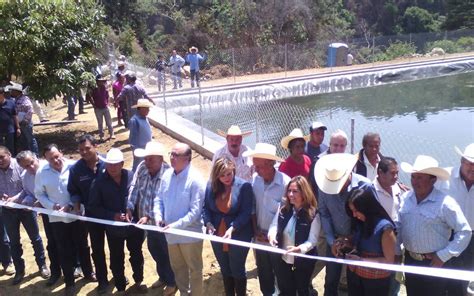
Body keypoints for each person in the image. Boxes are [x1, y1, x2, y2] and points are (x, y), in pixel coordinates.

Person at [398, 155, 471, 296]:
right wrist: (395, 253)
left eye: (420, 177)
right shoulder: (406, 199)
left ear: (433, 180)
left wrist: (442, 256)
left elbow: (465, 231)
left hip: (434, 263)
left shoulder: (445, 203)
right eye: (413, 177)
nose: (415, 181)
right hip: (410, 260)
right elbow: (399, 228)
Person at [314, 153, 375, 296]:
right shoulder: (322, 186)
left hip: (358, 242)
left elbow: (369, 217)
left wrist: (353, 239)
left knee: (354, 281)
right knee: (331, 279)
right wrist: (331, 241)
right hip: (334, 239)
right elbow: (324, 213)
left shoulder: (365, 186)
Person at [88, 148, 147, 294]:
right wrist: (111, 215)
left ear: (122, 164)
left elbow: (139, 197)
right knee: (116, 258)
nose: (112, 168)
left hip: (133, 226)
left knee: (136, 255)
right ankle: (120, 287)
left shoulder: (131, 176)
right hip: (113, 230)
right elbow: (93, 207)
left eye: (116, 164)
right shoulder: (99, 183)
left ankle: (139, 281)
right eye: (110, 164)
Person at [154, 143, 206, 296]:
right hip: (170, 235)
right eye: (171, 154)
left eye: (176, 155)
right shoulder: (166, 175)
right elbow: (158, 199)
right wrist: (158, 216)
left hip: (190, 235)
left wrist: (175, 225)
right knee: (178, 268)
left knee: (195, 270)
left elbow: (195, 212)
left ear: (188, 158)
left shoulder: (195, 179)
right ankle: (184, 292)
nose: (172, 157)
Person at [127, 141, 177, 295]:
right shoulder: (142, 167)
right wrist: (129, 206)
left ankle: (172, 281)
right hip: (146, 222)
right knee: (154, 249)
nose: (147, 162)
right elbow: (134, 186)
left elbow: (164, 200)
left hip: (161, 223)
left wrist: (149, 216)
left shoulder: (169, 174)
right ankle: (163, 276)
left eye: (151, 159)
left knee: (166, 251)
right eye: (146, 158)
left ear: (161, 160)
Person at [34, 144, 83, 295]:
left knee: (82, 245)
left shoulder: (73, 166)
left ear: (61, 152)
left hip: (76, 214)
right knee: (64, 249)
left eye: (57, 156)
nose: (56, 160)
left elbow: (81, 189)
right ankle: (69, 283)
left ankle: (87, 273)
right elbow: (39, 194)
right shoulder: (41, 172)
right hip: (56, 218)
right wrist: (51, 206)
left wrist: (71, 205)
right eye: (51, 159)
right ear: (45, 159)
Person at [242, 142, 289, 296]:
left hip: (279, 240)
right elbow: (252, 208)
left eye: (259, 166)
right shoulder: (255, 181)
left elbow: (288, 214)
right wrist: (256, 231)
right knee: (264, 273)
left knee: (282, 274)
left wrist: (274, 235)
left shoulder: (286, 183)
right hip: (260, 238)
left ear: (270, 164)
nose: (255, 169)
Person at [203, 157, 253, 296]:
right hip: (217, 235)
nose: (226, 178)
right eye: (222, 175)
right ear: (216, 175)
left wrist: (232, 228)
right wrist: (208, 223)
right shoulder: (211, 186)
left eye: (229, 174)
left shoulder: (244, 187)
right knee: (225, 268)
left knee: (237, 268)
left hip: (239, 234)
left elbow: (246, 212)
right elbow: (205, 208)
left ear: (234, 171)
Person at [0, 146, 48, 285]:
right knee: (14, 242)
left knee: (36, 239)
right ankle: (19, 270)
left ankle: (42, 266)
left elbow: (27, 188)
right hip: (7, 211)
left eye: (2, 157)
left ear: (9, 154)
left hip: (26, 208)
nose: (0, 161)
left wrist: (15, 198)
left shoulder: (21, 165)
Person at [268, 176, 321, 296]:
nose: (291, 194)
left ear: (304, 193)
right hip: (283, 259)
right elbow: (273, 225)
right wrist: (271, 236)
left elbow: (312, 240)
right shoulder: (283, 210)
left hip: (303, 261)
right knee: (286, 290)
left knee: (302, 290)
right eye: (289, 191)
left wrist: (299, 249)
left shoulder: (312, 215)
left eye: (295, 191)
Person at [16, 150, 61, 286]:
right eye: (26, 166)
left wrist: (43, 201)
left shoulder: (50, 167)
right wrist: (25, 202)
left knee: (69, 240)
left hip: (63, 210)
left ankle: (77, 266)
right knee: (52, 242)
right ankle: (55, 272)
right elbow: (30, 193)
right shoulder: (25, 176)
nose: (30, 167)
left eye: (31, 163)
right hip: (46, 214)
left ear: (36, 158)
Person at [67, 135, 105, 292]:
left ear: (95, 146)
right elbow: (73, 190)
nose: (84, 152)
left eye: (87, 148)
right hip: (91, 216)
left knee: (117, 249)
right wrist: (76, 206)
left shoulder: (108, 163)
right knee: (97, 249)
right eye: (81, 150)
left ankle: (119, 276)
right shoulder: (76, 169)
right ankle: (102, 280)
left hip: (111, 215)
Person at [344, 188, 397, 296]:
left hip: (375, 283)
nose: (354, 215)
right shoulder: (361, 222)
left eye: (356, 211)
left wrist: (361, 260)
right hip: (356, 278)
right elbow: (359, 244)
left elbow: (389, 261)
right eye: (352, 211)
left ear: (366, 208)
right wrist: (345, 243)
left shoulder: (385, 229)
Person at [438, 144, 474, 296]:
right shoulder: (443, 177)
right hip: (445, 235)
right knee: (439, 279)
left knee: (462, 280)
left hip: (471, 238)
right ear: (462, 160)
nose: (473, 168)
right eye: (470, 163)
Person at [9, 81, 38, 155]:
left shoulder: (24, 99)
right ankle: (28, 155)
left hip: (25, 124)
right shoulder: (16, 99)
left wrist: (26, 120)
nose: (11, 92)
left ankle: (35, 155)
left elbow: (30, 110)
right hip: (20, 124)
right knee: (24, 141)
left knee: (30, 140)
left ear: (17, 92)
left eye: (13, 90)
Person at [86, 74, 115, 142]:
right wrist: (94, 105)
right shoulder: (93, 89)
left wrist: (107, 103)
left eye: (102, 81)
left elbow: (107, 96)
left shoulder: (104, 88)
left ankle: (112, 134)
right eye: (100, 81)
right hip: (98, 108)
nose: (101, 82)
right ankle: (101, 136)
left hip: (105, 107)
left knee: (109, 122)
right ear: (97, 82)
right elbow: (89, 97)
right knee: (100, 123)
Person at [129, 99, 153, 171]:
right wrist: (137, 150)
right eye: (146, 108)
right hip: (140, 148)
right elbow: (133, 137)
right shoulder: (134, 120)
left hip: (147, 147)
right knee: (138, 165)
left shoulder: (145, 118)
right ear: (141, 109)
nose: (148, 110)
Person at [0, 87, 20, 155]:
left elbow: (15, 116)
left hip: (9, 130)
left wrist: (18, 128)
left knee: (10, 148)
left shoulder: (11, 103)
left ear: (2, 94)